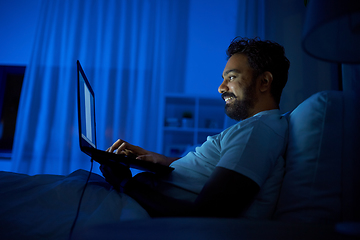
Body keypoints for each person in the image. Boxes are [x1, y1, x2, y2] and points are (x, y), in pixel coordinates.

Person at [100, 37, 290, 219]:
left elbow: (207, 214)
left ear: (264, 82)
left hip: (136, 206)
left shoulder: (257, 132)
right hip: (137, 199)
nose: (221, 88)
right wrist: (162, 160)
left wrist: (125, 183)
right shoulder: (253, 128)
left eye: (231, 77)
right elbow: (210, 170)